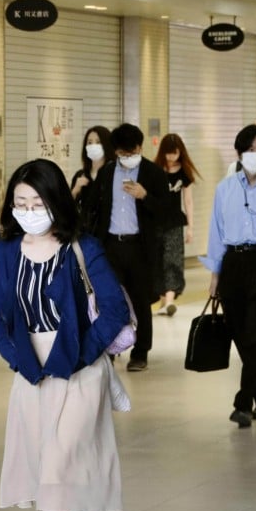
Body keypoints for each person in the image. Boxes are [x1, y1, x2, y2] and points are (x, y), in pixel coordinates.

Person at [0, 158, 129, 511]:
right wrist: (17, 359)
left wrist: (80, 355)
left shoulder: (82, 248)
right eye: (21, 204)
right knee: (50, 470)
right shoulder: (5, 253)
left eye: (37, 204)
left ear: (57, 203)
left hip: (80, 368)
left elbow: (115, 310)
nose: (29, 212)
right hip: (32, 370)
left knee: (59, 464)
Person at [202, 124, 256, 428]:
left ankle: (243, 403)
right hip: (233, 264)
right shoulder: (224, 188)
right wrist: (214, 272)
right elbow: (215, 232)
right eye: (250, 150)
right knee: (241, 336)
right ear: (239, 153)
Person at [93, 123, 169, 372]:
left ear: (140, 147)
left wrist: (145, 196)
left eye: (132, 152)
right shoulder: (106, 173)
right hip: (112, 245)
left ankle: (141, 352)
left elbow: (166, 213)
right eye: (123, 154)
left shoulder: (154, 173)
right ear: (115, 152)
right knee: (111, 300)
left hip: (139, 247)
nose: (127, 157)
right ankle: (112, 348)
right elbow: (97, 210)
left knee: (140, 300)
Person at [153, 133, 201, 317]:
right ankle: (164, 300)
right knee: (158, 260)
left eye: (175, 153)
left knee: (173, 259)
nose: (171, 157)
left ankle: (170, 300)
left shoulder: (184, 173)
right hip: (156, 223)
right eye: (168, 153)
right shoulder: (155, 170)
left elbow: (188, 201)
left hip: (174, 222)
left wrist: (190, 227)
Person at [69, 125, 113, 235]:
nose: (93, 146)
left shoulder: (113, 174)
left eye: (98, 142)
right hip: (85, 234)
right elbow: (67, 206)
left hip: (109, 235)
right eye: (89, 142)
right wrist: (75, 190)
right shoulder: (81, 175)